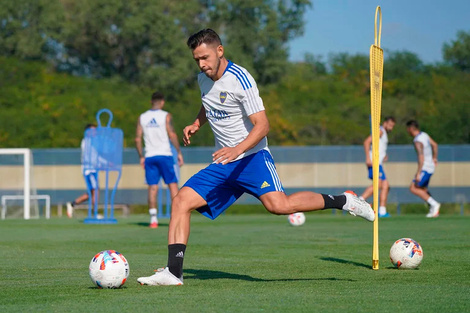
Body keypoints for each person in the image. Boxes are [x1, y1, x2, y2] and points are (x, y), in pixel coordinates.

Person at [137, 28, 374, 286]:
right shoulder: (203, 79)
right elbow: (210, 103)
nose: (202, 64)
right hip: (224, 163)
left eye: (205, 58)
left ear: (220, 51)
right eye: (197, 60)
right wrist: (196, 122)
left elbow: (262, 125)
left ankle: (343, 201)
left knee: (279, 206)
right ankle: (173, 272)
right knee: (181, 201)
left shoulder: (241, 78)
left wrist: (237, 149)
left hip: (252, 158)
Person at [135, 91, 184, 228]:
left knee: (152, 188)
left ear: (151, 101)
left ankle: (153, 219)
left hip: (150, 156)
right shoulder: (166, 116)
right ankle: (177, 215)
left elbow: (137, 139)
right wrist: (179, 152)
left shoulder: (142, 117)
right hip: (165, 155)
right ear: (162, 102)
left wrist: (141, 157)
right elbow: (172, 134)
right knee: (172, 185)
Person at [360, 116, 396, 217]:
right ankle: (359, 201)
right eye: (390, 125)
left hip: (379, 162)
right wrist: (368, 158)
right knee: (379, 184)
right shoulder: (380, 131)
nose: (391, 128)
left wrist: (383, 155)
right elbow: (367, 142)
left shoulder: (383, 133)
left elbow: (379, 146)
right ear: (385, 123)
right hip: (374, 162)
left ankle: (382, 211)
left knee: (385, 185)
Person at [406, 120, 440, 218]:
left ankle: (434, 204)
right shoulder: (424, 135)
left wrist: (418, 172)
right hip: (430, 166)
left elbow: (421, 157)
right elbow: (435, 145)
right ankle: (433, 209)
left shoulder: (417, 140)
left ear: (411, 129)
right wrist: (435, 158)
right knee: (423, 189)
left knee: (413, 188)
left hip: (425, 167)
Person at [66, 123, 98, 218]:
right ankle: (94, 213)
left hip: (93, 169)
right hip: (89, 170)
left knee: (91, 193)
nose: (95, 132)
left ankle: (72, 204)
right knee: (95, 191)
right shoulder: (87, 142)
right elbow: (90, 157)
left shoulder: (93, 142)